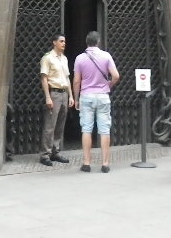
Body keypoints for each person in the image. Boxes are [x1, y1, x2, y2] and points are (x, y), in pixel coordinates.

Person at [72, 31, 119, 173]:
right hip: (103, 96)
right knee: (104, 130)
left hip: (86, 96)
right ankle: (105, 164)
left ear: (87, 42)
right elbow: (116, 76)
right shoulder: (106, 56)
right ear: (98, 42)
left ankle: (87, 163)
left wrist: (76, 98)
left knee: (86, 129)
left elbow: (76, 81)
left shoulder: (80, 58)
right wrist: (108, 85)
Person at [38, 33, 74, 166]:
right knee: (50, 125)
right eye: (61, 41)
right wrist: (48, 97)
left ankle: (55, 151)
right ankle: (45, 154)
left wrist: (71, 96)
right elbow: (44, 78)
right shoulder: (47, 58)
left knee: (60, 125)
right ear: (54, 42)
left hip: (64, 93)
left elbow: (67, 78)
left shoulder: (64, 58)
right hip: (54, 93)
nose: (64, 43)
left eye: (64, 41)